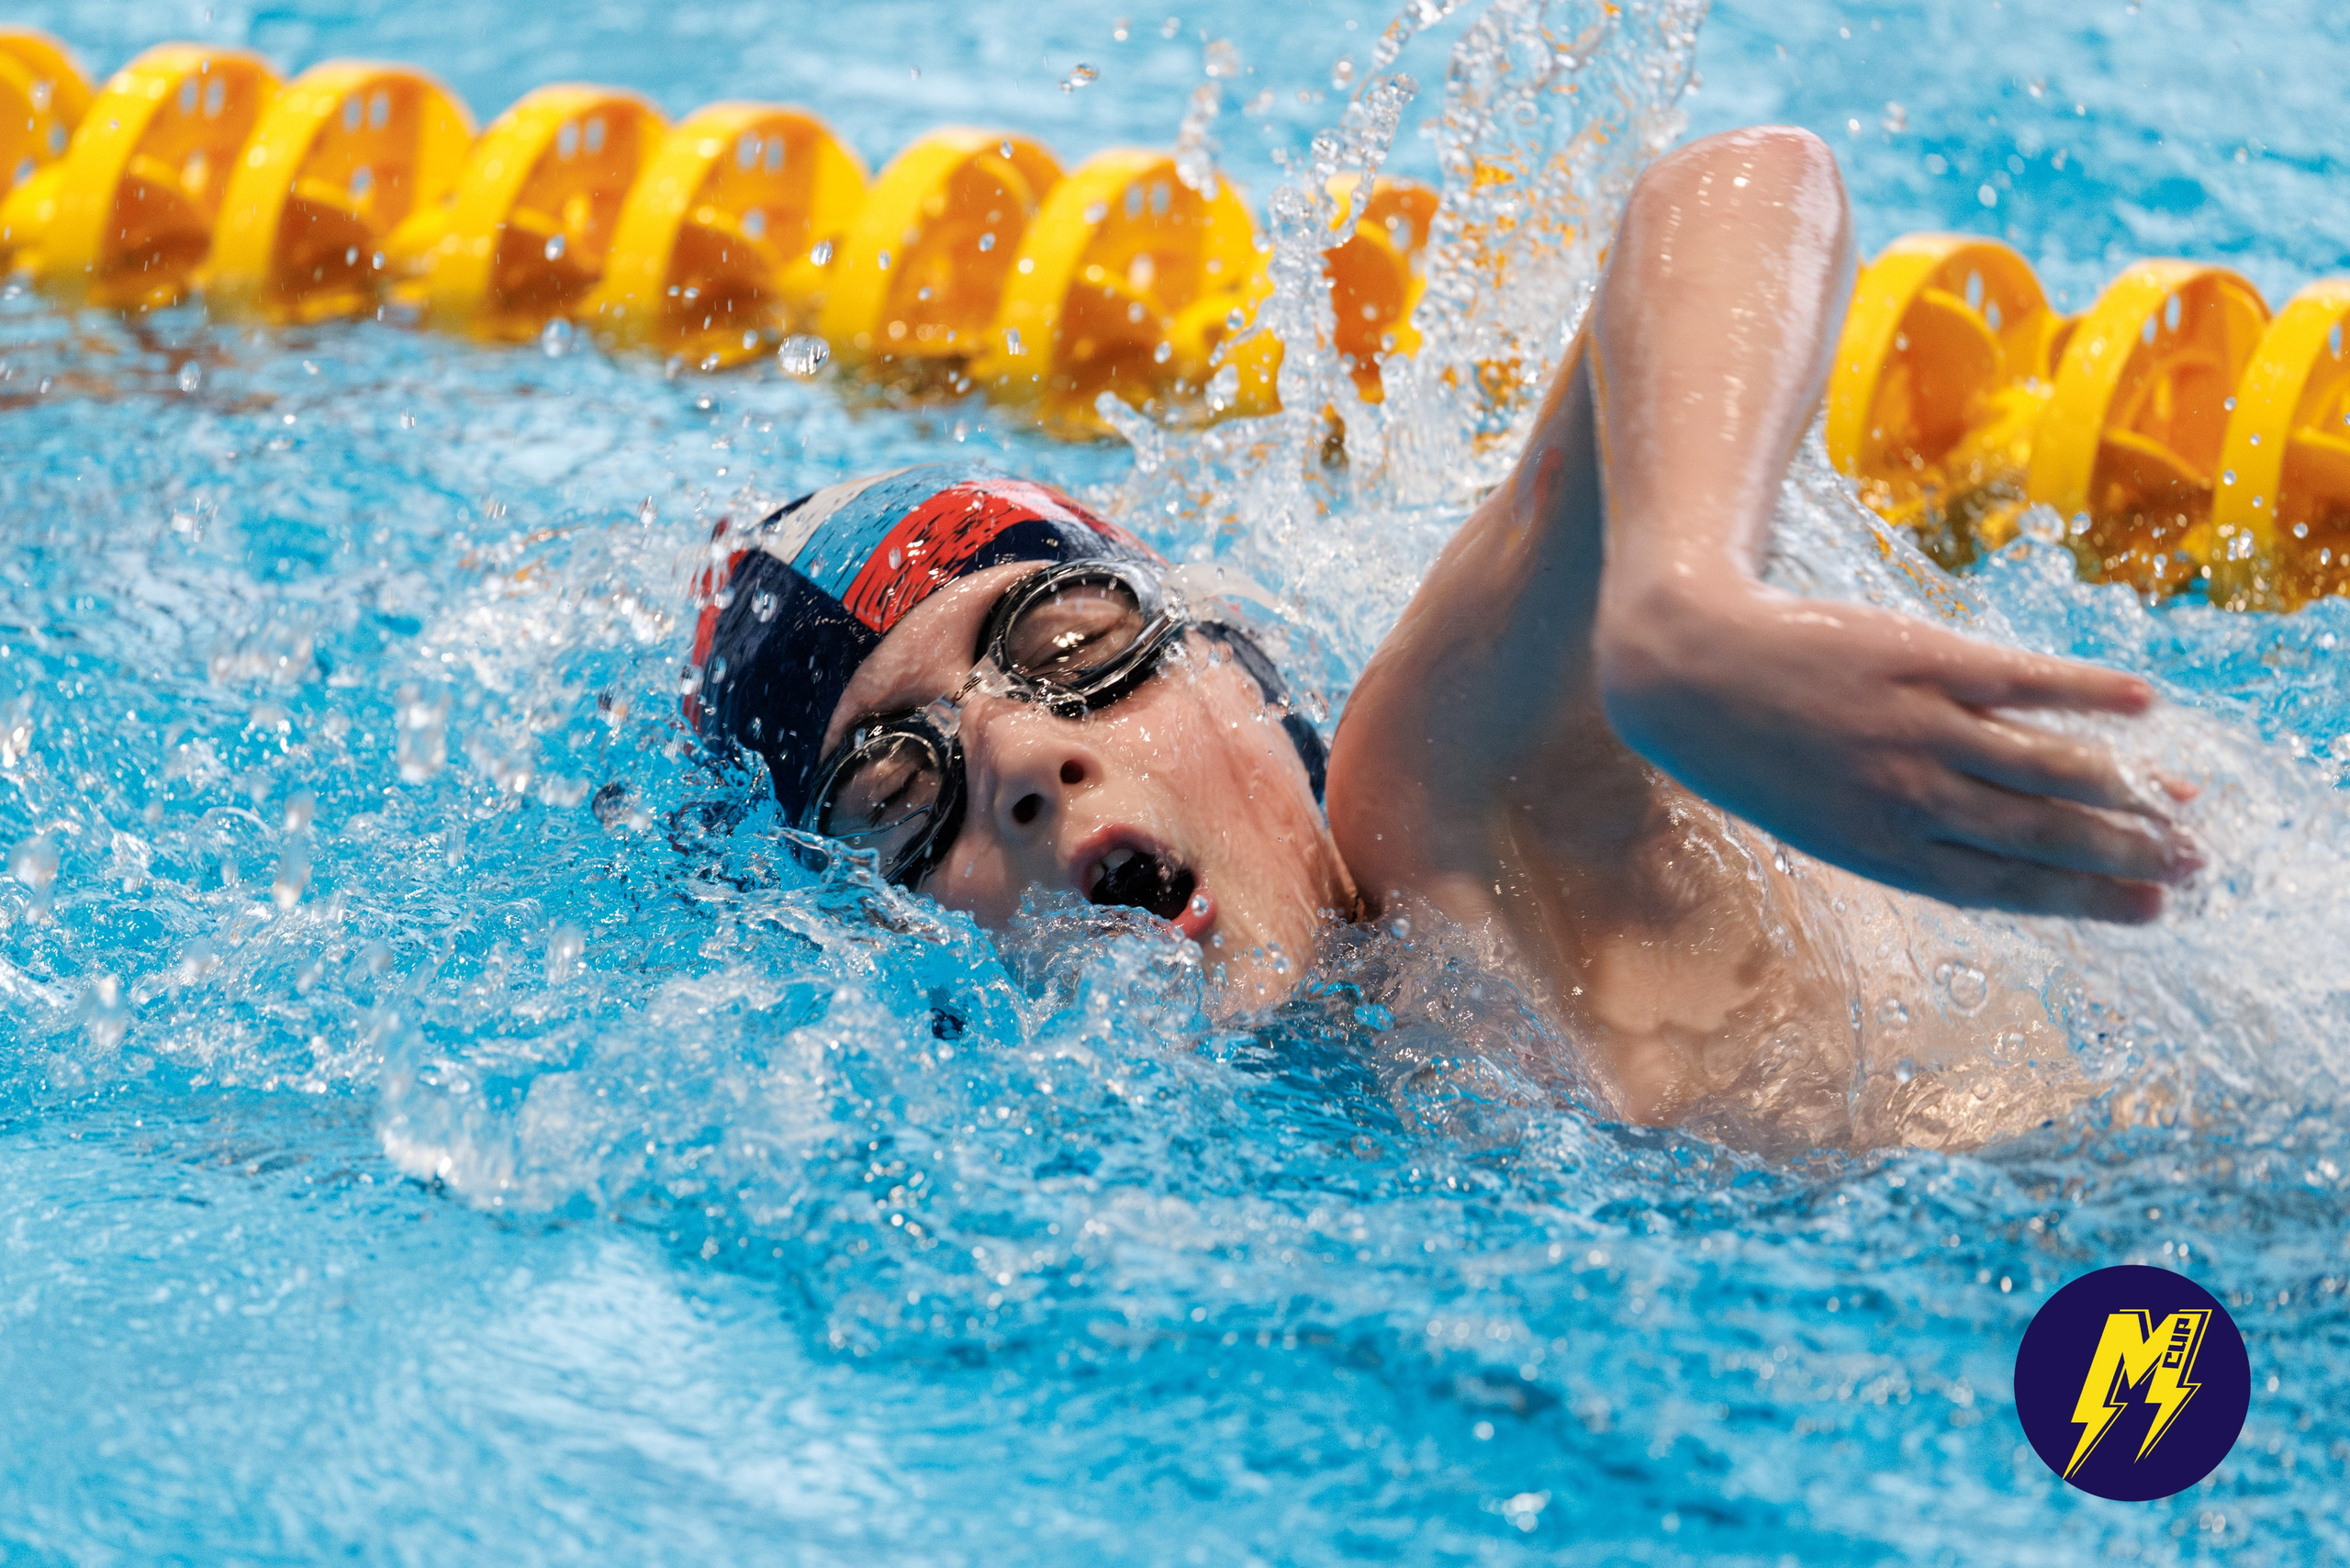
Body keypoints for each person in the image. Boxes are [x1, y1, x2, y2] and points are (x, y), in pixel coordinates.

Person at [685, 126, 2201, 1136]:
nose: (1018, 750)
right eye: (897, 797)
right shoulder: (1348, 1110)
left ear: (1241, 656)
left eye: (1073, 644)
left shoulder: (1443, 804)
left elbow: (1742, 187)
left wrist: (1679, 612)